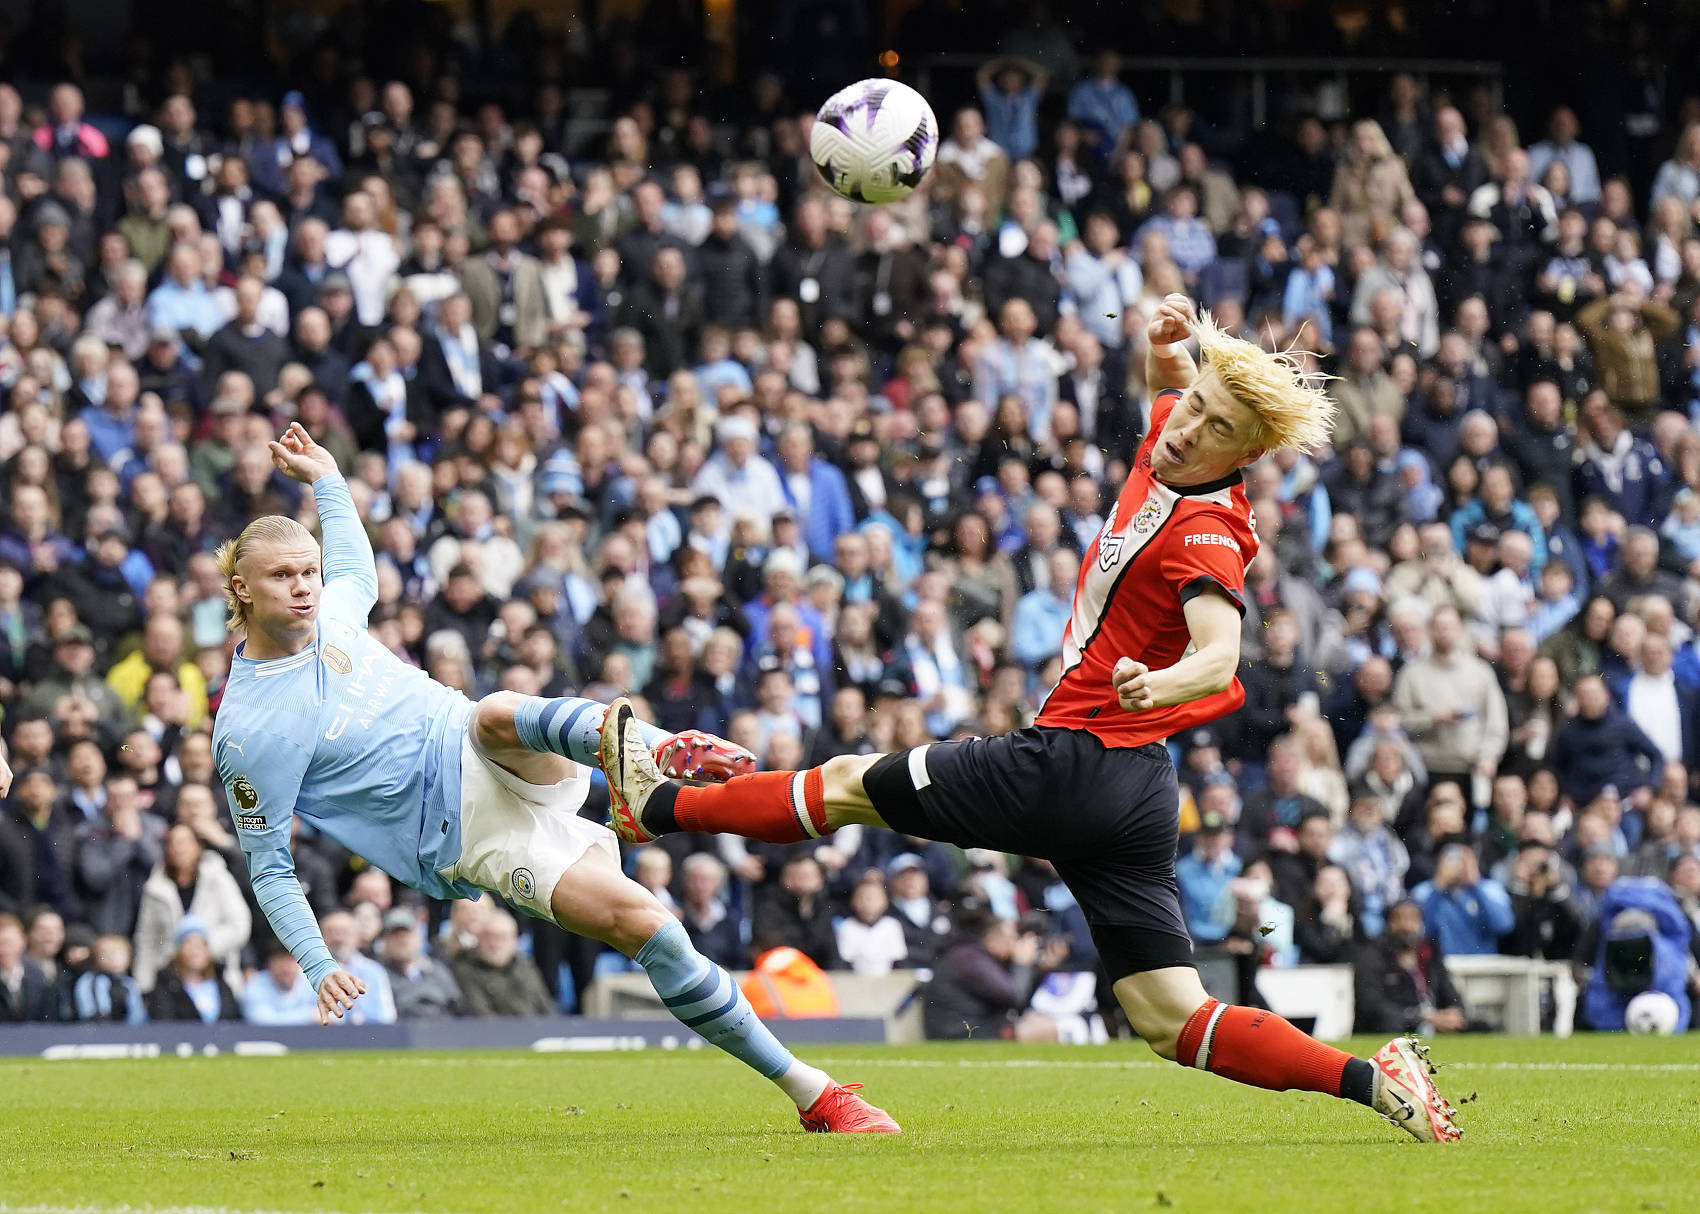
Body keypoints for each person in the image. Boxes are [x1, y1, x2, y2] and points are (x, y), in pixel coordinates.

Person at [601, 296, 1462, 1142]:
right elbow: (1171, 386)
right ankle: (1374, 1081)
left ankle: (658, 810)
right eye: (1196, 406)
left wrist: (1160, 685)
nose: (1190, 427)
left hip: (1075, 761)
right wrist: (1169, 347)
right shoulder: (1171, 439)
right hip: (1131, 789)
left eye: (1217, 426)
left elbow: (1220, 654)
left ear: (1249, 450)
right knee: (1170, 1016)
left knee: (848, 783)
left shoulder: (1208, 531)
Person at [211, 423, 892, 1132]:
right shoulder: (250, 727)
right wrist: (320, 966)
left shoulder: (335, 612)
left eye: (308, 573)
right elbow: (269, 866)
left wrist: (326, 476)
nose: (303, 589)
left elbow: (359, 573)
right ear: (242, 589)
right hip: (463, 832)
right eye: (282, 577)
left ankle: (658, 753)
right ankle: (815, 1093)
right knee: (651, 931)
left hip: (478, 742)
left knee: (497, 709)